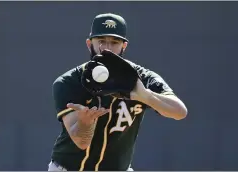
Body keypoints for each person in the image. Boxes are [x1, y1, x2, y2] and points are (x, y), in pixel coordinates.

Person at [48, 13, 188, 171]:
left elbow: (179, 112)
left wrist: (144, 96)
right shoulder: (70, 82)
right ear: (89, 44)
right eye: (101, 41)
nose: (107, 48)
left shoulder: (140, 78)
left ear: (124, 46)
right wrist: (84, 123)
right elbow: (81, 142)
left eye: (114, 42)